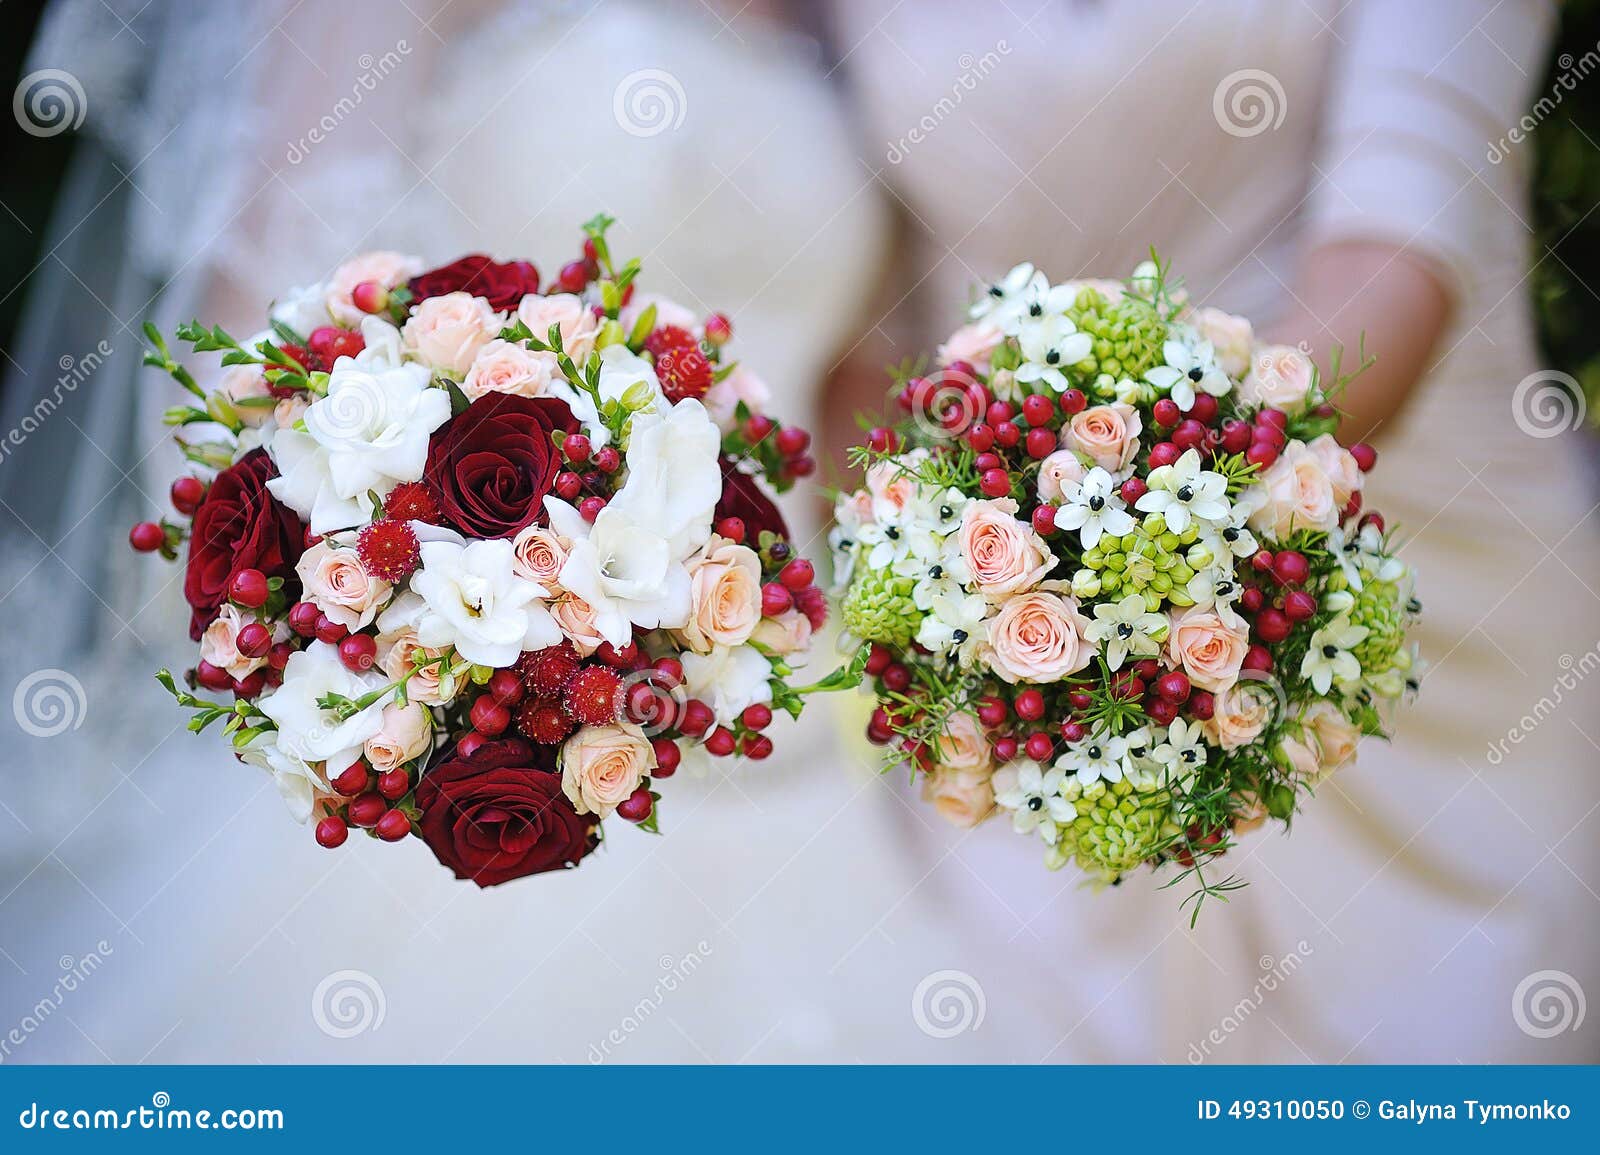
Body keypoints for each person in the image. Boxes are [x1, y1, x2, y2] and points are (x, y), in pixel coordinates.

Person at [818, 0, 1600, 1061]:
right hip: (1014, 618)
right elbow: (871, 330)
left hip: (1402, 564)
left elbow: (1399, 254)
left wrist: (1144, 510)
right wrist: (933, 567)